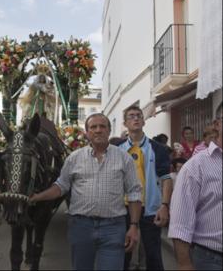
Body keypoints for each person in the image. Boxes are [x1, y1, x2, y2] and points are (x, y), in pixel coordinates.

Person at [30, 113, 142, 270]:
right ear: (87, 132)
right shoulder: (74, 158)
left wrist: (134, 226)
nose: (98, 130)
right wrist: (36, 197)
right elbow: (61, 186)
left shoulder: (124, 158)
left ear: (109, 131)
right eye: (93, 127)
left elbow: (134, 193)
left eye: (102, 126)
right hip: (81, 226)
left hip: (113, 228)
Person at [168, 103, 222, 270]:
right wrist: (184, 263)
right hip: (211, 259)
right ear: (217, 124)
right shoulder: (196, 166)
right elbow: (180, 222)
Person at [119, 105, 172, 271]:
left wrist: (164, 206)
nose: (135, 118)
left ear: (143, 121)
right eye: (131, 116)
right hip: (124, 209)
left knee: (153, 256)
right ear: (125, 123)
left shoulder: (158, 149)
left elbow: (166, 179)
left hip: (151, 209)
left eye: (138, 116)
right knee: (123, 254)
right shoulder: (117, 150)